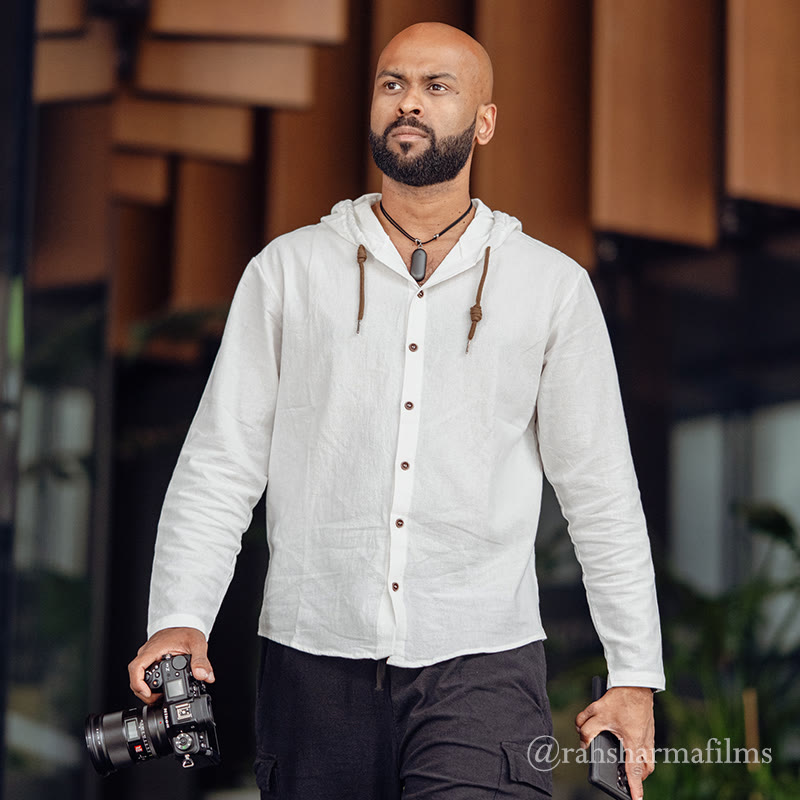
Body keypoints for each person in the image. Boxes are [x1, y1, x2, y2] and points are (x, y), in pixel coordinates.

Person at [129, 21, 664, 800]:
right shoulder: (288, 272)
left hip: (483, 662)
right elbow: (221, 462)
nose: (408, 102)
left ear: (484, 121)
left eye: (436, 87)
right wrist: (179, 615)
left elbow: (601, 490)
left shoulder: (550, 287)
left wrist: (634, 671)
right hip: (311, 663)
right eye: (392, 85)